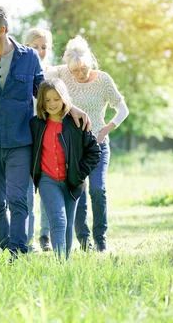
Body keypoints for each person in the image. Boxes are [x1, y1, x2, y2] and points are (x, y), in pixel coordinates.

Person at [0, 5, 89, 256]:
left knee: (19, 198)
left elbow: (45, 92)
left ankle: (17, 252)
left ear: (1, 30)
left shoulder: (28, 57)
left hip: (21, 142)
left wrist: (72, 108)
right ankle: (3, 246)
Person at [57, 35, 129, 253]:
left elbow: (122, 109)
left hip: (97, 144)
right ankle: (84, 241)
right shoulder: (64, 75)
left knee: (98, 189)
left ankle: (101, 239)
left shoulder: (103, 80)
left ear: (91, 62)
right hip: (72, 147)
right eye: (75, 70)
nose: (81, 74)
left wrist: (107, 129)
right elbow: (43, 72)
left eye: (84, 68)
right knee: (77, 191)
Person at [30, 78, 101, 259]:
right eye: (47, 100)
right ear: (41, 102)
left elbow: (94, 152)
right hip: (47, 180)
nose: (52, 103)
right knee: (58, 221)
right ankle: (60, 262)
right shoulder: (35, 124)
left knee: (68, 224)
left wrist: (79, 174)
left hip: (72, 182)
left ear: (64, 99)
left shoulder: (77, 123)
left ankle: (64, 264)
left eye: (56, 98)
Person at [23, 28, 56, 252]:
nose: (40, 51)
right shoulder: (21, 71)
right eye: (35, 47)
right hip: (26, 135)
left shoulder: (54, 73)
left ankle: (46, 234)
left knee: (47, 186)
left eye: (44, 47)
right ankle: (27, 236)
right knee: (26, 190)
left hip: (48, 136)